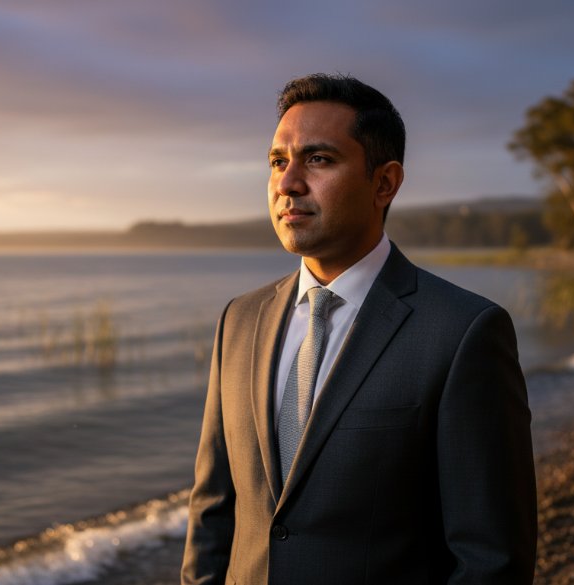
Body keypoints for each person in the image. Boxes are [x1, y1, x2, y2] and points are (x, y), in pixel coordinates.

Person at [181, 73, 536, 585]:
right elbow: (212, 510)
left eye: (318, 160)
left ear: (384, 183)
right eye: (278, 162)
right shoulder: (239, 320)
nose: (287, 184)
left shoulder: (464, 333)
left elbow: (491, 561)